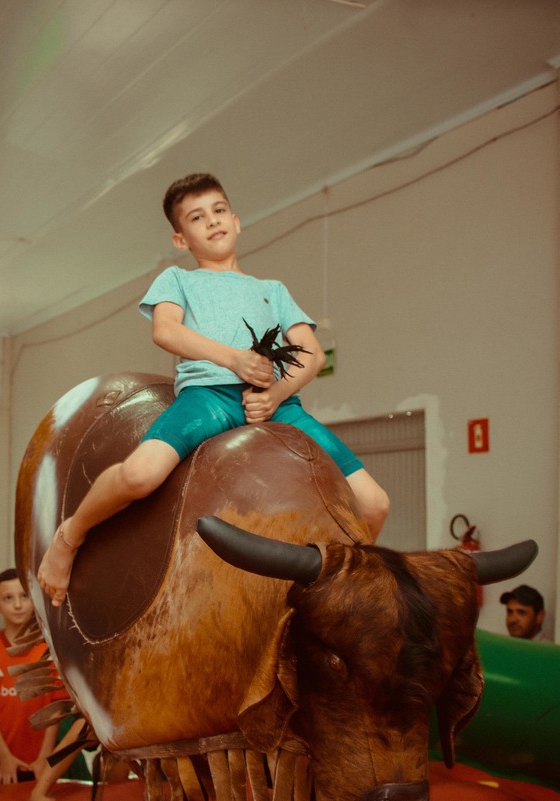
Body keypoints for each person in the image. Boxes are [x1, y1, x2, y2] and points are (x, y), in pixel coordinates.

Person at [38, 173, 390, 606]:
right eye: (197, 217)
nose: (212, 221)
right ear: (181, 239)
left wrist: (276, 395)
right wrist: (234, 360)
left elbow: (313, 354)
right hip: (208, 398)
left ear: (236, 221)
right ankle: (69, 535)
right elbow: (166, 332)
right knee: (140, 475)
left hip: (276, 405)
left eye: (219, 210)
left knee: (374, 503)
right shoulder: (179, 280)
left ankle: (337, 596)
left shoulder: (272, 290)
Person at [0, 568, 59, 787]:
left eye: (24, 596)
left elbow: (56, 707)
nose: (18, 605)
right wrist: (3, 756)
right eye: (8, 598)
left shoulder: (48, 651)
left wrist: (45, 757)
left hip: (38, 765)